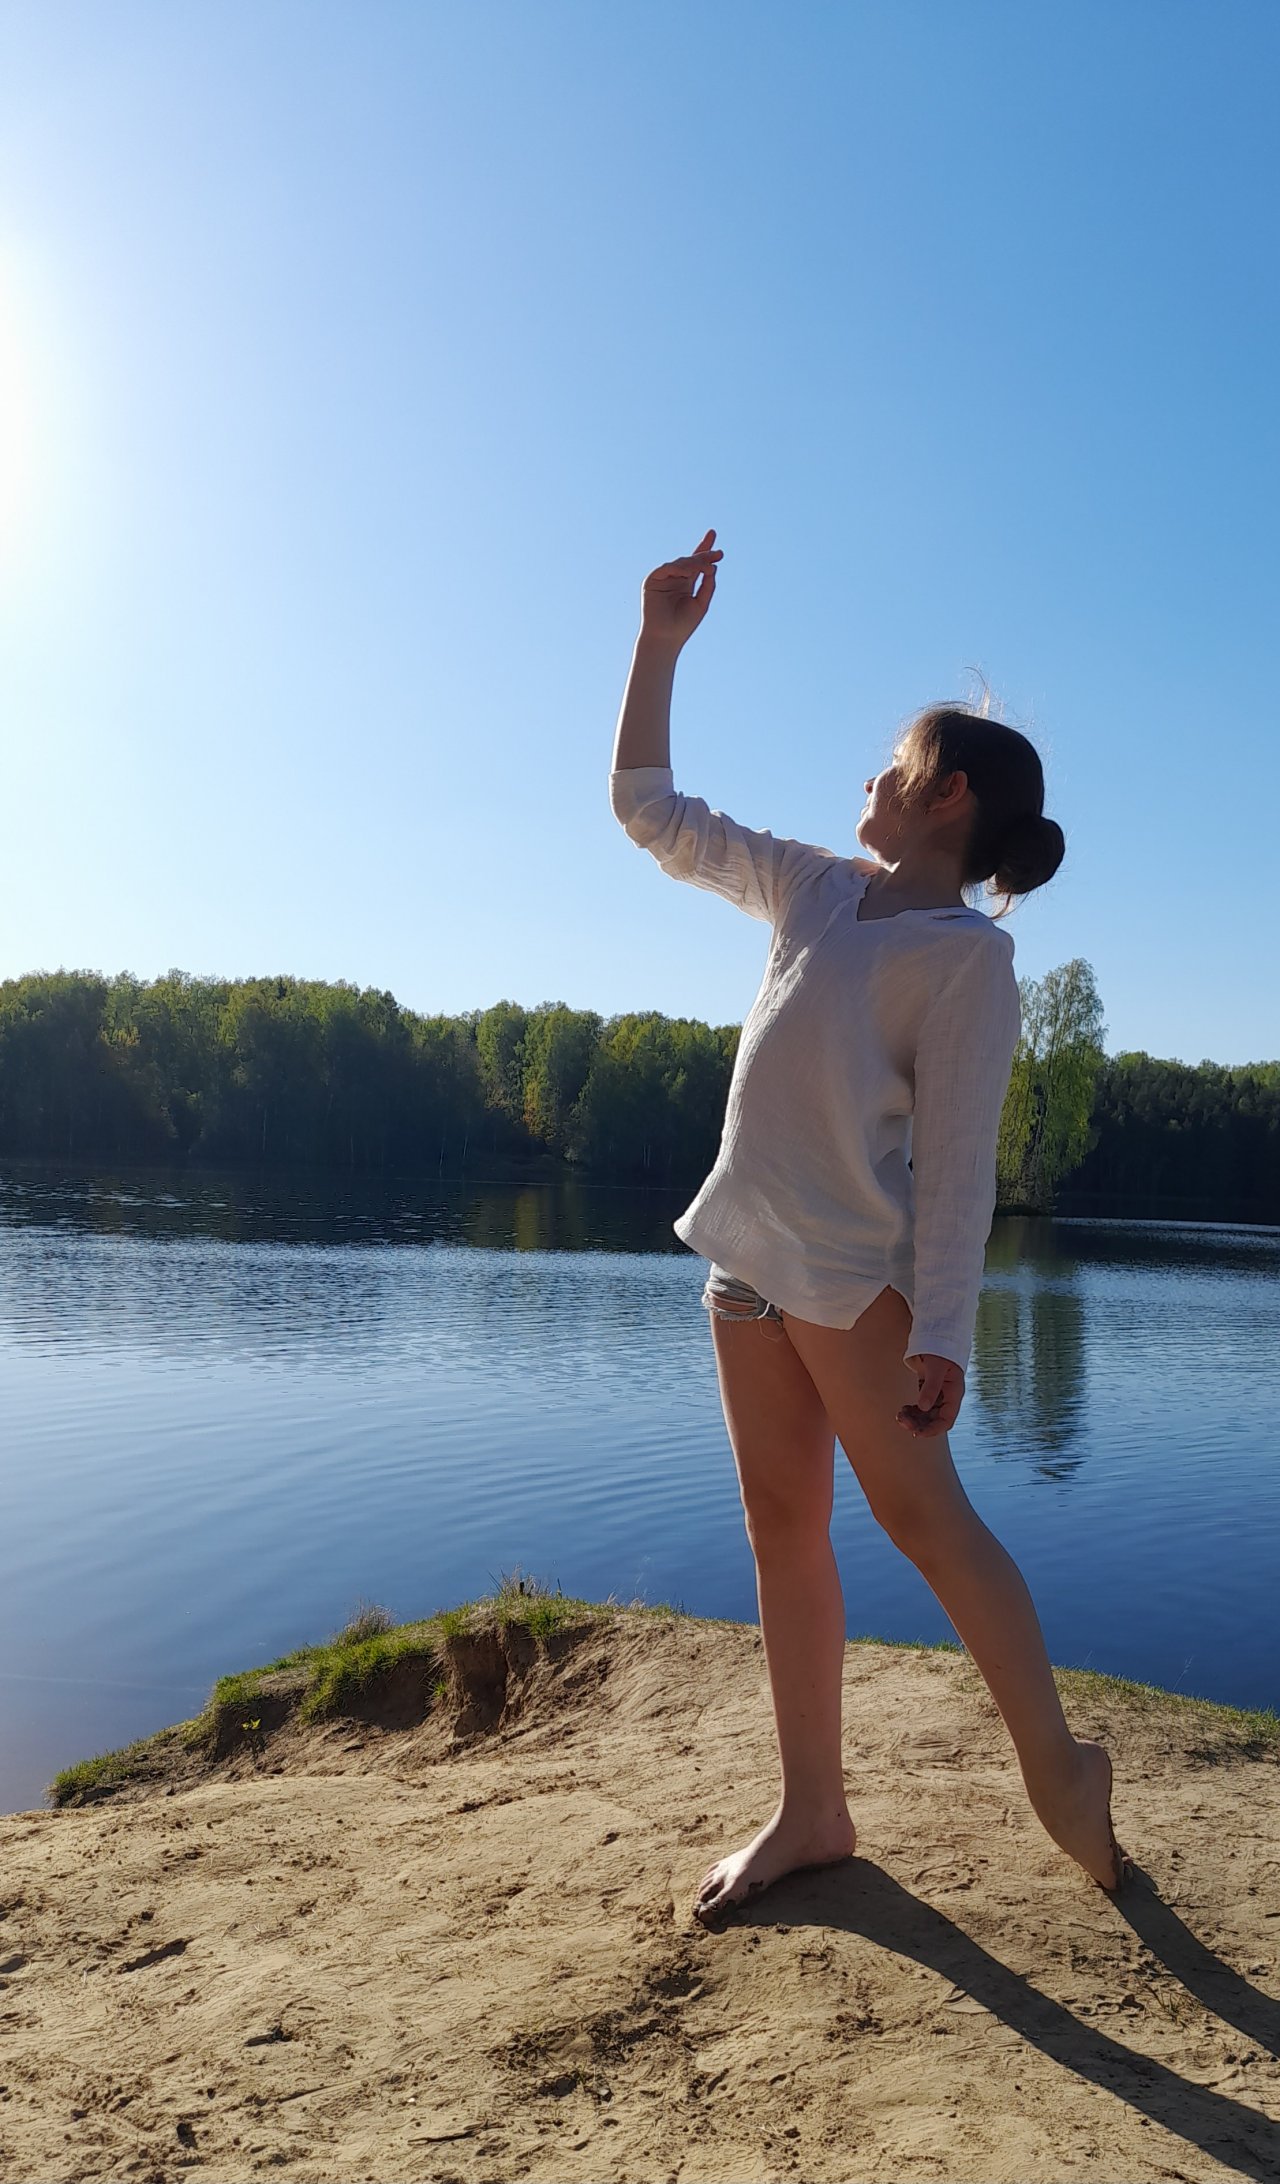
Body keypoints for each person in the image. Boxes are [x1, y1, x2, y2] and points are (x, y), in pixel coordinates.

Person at [609, 529, 1132, 1923]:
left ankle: (1060, 1770)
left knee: (929, 1526)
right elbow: (650, 810)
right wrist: (658, 647)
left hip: (852, 1292)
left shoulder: (969, 963)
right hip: (741, 1267)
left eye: (891, 767)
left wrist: (945, 1332)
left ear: (946, 794)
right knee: (783, 1526)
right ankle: (814, 1811)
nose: (866, 784)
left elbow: (958, 1170)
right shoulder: (812, 888)